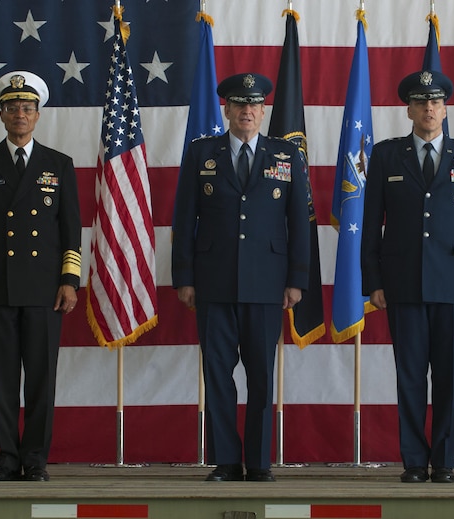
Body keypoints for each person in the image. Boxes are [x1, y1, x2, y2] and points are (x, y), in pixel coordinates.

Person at [172, 72, 310, 482]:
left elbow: (298, 222)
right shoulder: (202, 153)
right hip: (212, 281)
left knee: (261, 374)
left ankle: (259, 461)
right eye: (239, 104)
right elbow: (184, 218)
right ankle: (227, 460)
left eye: (254, 105)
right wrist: (184, 276)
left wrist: (296, 279)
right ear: (226, 110)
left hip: (268, 283)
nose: (246, 111)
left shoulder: (286, 155)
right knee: (217, 373)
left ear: (263, 111)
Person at [361, 70, 454, 483]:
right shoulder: (386, 156)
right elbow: (370, 225)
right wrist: (374, 281)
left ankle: (445, 461)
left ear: (446, 108)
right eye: (421, 103)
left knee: (449, 376)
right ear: (409, 110)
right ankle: (415, 462)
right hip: (402, 281)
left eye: (435, 103)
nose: (429, 109)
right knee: (410, 376)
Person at [0, 71, 82, 482]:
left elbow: (71, 230)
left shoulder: (59, 165)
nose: (20, 114)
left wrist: (70, 281)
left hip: (44, 289)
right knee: (1, 380)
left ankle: (35, 460)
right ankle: (7, 458)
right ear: (1, 114)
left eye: (27, 108)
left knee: (42, 381)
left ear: (37, 115)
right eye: (12, 108)